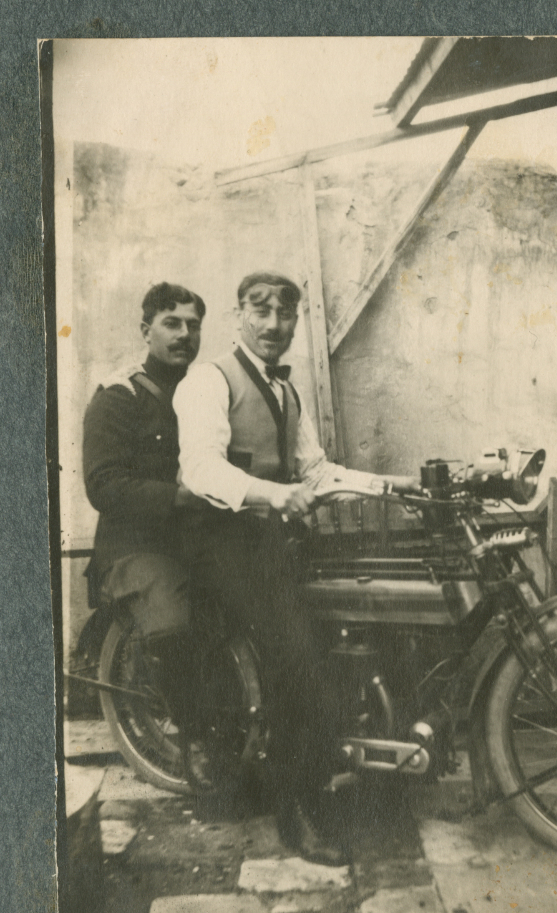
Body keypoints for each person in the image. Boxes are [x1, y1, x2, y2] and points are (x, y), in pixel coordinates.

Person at [173, 271, 419, 865]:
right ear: (239, 315)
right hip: (219, 543)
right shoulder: (207, 381)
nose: (273, 324)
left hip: (273, 543)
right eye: (260, 311)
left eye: (286, 314)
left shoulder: (287, 391)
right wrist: (269, 494)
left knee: (351, 625)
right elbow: (200, 470)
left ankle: (345, 757)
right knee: (297, 657)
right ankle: (295, 808)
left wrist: (391, 486)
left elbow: (316, 471)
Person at [83, 282, 208, 786]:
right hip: (132, 549)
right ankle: (196, 738)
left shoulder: (204, 392)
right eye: (172, 323)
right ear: (146, 330)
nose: (184, 334)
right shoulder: (119, 397)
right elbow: (103, 485)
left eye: (193, 325)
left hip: (193, 540)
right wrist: (179, 497)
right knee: (172, 613)